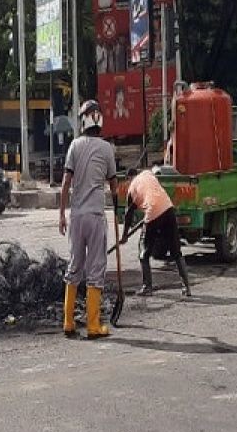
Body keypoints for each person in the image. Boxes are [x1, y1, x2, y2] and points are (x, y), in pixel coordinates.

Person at [59, 100, 117, 340]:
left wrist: (61, 213)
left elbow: (65, 184)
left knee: (74, 267)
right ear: (100, 119)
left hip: (77, 217)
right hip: (95, 217)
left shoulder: (74, 146)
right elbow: (113, 183)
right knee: (95, 270)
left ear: (83, 121)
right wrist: (119, 206)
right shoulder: (106, 149)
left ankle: (68, 322)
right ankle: (93, 326)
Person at [123, 167, 191, 297]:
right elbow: (153, 194)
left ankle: (147, 287)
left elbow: (128, 214)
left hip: (153, 212)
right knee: (176, 251)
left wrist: (125, 235)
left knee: (143, 252)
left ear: (128, 178)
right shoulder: (148, 174)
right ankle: (186, 288)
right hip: (168, 208)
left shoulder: (132, 187)